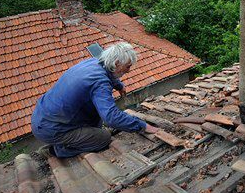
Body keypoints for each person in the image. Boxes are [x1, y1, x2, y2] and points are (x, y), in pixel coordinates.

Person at [31, 42, 159, 158]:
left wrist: (119, 85)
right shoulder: (99, 83)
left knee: (96, 118)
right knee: (103, 138)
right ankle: (56, 151)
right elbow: (112, 117)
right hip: (51, 128)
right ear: (116, 64)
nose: (129, 71)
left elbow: (109, 74)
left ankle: (71, 139)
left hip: (43, 117)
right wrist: (143, 126)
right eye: (127, 67)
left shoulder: (93, 62)